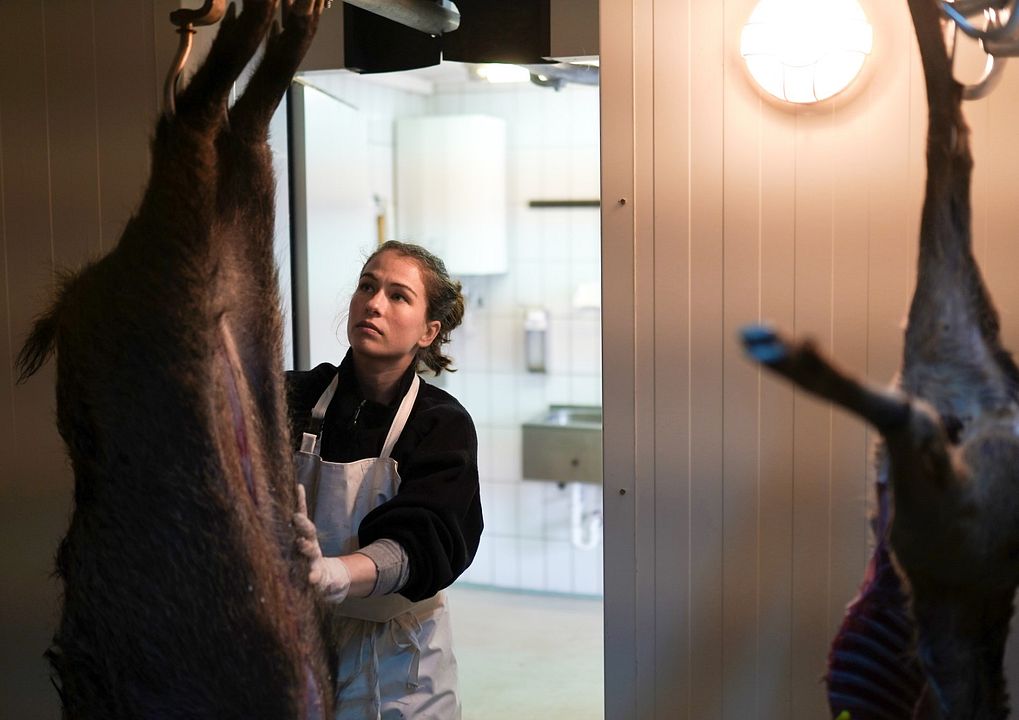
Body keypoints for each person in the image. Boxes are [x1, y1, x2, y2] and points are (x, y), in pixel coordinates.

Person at [288, 240, 482, 719]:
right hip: (299, 644)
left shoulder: (441, 425)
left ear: (428, 331)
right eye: (367, 286)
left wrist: (335, 573)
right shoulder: (294, 398)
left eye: (398, 296)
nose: (374, 303)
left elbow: (427, 539)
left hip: (402, 665)